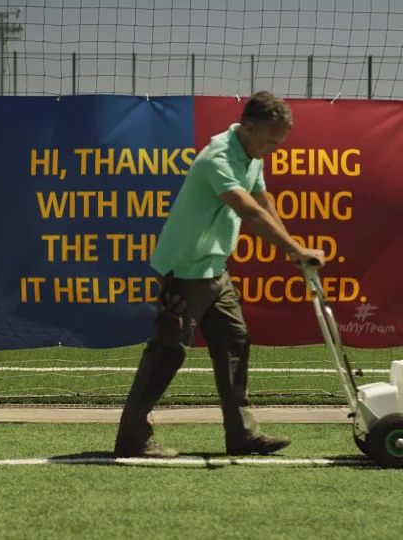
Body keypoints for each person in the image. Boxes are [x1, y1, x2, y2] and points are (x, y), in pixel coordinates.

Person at [114, 91, 326, 458]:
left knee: (234, 341)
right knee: (167, 352)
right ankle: (132, 437)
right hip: (183, 270)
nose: (273, 149)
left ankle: (242, 435)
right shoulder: (218, 157)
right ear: (249, 126)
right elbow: (246, 208)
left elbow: (263, 201)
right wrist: (294, 250)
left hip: (214, 269)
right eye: (270, 141)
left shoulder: (251, 154)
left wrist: (292, 246)